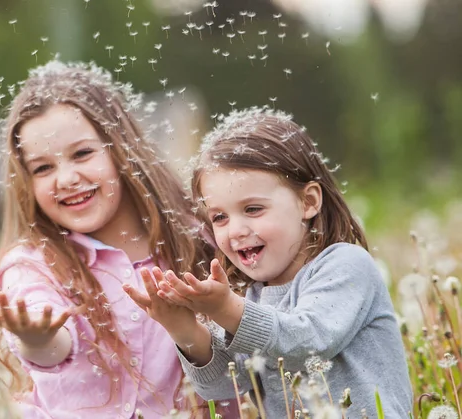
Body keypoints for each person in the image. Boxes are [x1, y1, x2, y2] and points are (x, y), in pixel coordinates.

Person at [0, 59, 238, 418]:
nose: (65, 178)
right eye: (43, 168)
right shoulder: (33, 266)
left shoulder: (198, 239)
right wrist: (38, 338)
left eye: (82, 154)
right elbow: (55, 343)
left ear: (121, 149)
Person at [125, 107, 413, 418]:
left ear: (309, 202)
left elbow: (309, 342)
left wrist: (225, 309)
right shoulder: (255, 295)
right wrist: (182, 328)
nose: (235, 230)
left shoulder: (346, 264)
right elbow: (225, 385)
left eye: (253, 209)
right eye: (219, 217)